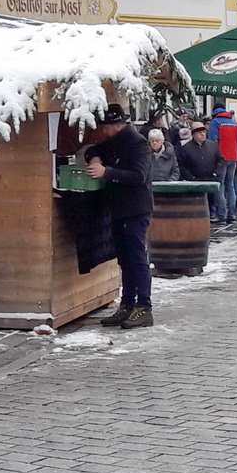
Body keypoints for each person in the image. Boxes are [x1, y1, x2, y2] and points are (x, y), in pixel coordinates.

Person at [80, 107, 157, 328]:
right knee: (124, 259)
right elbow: (93, 150)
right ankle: (127, 305)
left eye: (105, 127)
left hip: (135, 208)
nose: (103, 131)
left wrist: (107, 172)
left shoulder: (138, 144)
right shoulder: (113, 141)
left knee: (137, 258)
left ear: (117, 125)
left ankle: (144, 307)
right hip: (119, 208)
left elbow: (139, 176)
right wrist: (95, 157)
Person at [210, 108, 237, 223]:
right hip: (233, 157)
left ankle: (221, 215)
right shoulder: (235, 124)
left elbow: (212, 141)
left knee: (220, 185)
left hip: (221, 158)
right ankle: (232, 214)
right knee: (230, 185)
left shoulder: (215, 122)